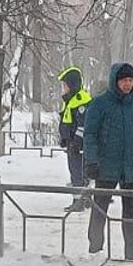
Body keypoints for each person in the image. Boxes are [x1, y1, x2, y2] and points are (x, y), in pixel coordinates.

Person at [85, 62, 133, 261]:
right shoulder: (100, 103)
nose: (128, 84)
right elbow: (90, 134)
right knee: (100, 206)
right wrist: (91, 161)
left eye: (131, 80)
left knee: (131, 209)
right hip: (106, 166)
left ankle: (132, 249)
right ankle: (95, 247)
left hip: (131, 167)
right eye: (124, 80)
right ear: (115, 81)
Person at [56, 66, 92, 212]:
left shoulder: (80, 101)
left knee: (78, 173)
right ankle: (86, 199)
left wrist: (77, 142)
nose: (63, 88)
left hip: (79, 146)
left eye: (65, 85)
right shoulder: (71, 100)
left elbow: (83, 125)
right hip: (73, 145)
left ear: (72, 85)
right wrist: (65, 138)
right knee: (77, 172)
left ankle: (79, 202)